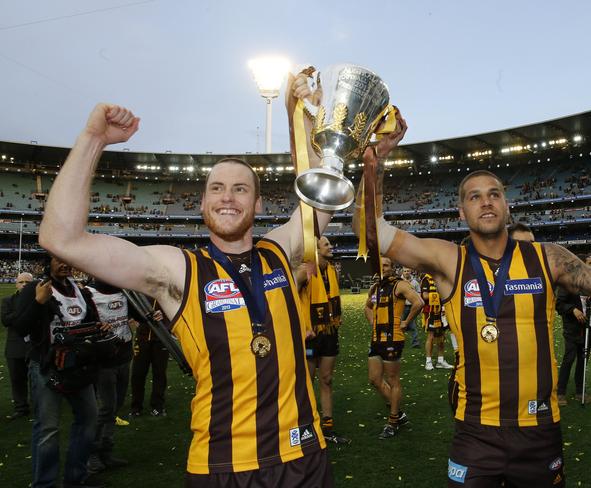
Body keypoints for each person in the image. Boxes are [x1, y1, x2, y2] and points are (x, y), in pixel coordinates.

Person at [37, 77, 405, 485]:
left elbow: (322, 189)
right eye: (217, 188)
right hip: (223, 466)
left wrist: (321, 128)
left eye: (240, 189)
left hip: (304, 458)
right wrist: (93, 138)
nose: (228, 197)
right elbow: (60, 239)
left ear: (257, 203)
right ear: (203, 203)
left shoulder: (279, 251)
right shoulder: (177, 270)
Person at [353, 144, 591, 486]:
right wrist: (376, 165)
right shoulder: (448, 260)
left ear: (507, 206)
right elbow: (369, 232)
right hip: (476, 430)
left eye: (494, 194)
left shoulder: (547, 258)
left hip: (538, 428)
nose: (486, 201)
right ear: (461, 212)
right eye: (474, 196)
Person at [11, 257, 103, 488]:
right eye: (58, 260)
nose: (64, 264)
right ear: (47, 262)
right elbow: (20, 326)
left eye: (67, 260)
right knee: (48, 428)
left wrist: (99, 326)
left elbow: (87, 322)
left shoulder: (78, 290)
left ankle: (76, 477)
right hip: (46, 365)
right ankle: (45, 483)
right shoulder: (36, 288)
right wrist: (38, 303)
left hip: (77, 365)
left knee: (89, 419)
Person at [364, 256, 423, 439]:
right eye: (380, 265)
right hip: (376, 339)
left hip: (393, 339)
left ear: (393, 268)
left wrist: (406, 322)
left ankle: (392, 422)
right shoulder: (376, 287)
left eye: (386, 265)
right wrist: (373, 322)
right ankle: (399, 413)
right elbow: (367, 306)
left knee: (393, 379)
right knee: (374, 379)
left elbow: (419, 302)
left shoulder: (400, 285)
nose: (383, 268)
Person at [297, 236, 349, 444]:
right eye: (326, 244)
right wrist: (303, 327)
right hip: (310, 335)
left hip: (329, 332)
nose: (331, 247)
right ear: (315, 249)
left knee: (326, 379)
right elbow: (288, 294)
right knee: (307, 382)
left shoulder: (331, 270)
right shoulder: (304, 270)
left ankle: (327, 427)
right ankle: (305, 425)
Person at [84, 279, 135, 473]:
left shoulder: (125, 290)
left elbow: (137, 313)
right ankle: (93, 453)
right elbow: (83, 322)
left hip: (124, 354)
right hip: (103, 359)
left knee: (115, 406)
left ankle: (106, 450)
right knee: (105, 408)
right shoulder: (88, 293)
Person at [555, 254, 591, 406]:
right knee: (569, 359)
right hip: (572, 329)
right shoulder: (568, 282)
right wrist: (573, 310)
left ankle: (580, 392)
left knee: (583, 360)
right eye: (589, 263)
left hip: (588, 328)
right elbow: (559, 304)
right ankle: (560, 393)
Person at [1, 271, 33, 420]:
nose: (24, 285)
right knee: (17, 379)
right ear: (16, 284)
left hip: (35, 346)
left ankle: (39, 406)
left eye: (28, 282)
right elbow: (6, 320)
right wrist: (22, 311)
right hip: (15, 347)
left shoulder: (39, 300)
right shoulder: (8, 300)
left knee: (37, 379)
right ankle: (21, 408)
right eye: (21, 282)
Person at [129, 302, 169, 418]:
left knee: (160, 373)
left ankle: (158, 406)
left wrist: (164, 315)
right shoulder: (141, 290)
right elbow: (131, 307)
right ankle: (136, 407)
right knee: (138, 374)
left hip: (161, 337)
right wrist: (135, 319)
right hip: (142, 337)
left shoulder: (165, 290)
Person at [420, 273, 454, 370]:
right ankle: (428, 361)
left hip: (442, 311)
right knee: (431, 336)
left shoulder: (441, 278)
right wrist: (440, 294)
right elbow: (425, 296)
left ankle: (440, 360)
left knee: (442, 336)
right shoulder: (426, 279)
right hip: (431, 311)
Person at [400, 267, 422, 348]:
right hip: (402, 307)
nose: (406, 272)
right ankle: (399, 341)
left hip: (412, 307)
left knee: (412, 325)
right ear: (402, 272)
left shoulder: (415, 283)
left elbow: (419, 293)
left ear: (411, 272)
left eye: (408, 271)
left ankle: (415, 343)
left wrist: (417, 304)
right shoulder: (399, 282)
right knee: (400, 324)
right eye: (405, 271)